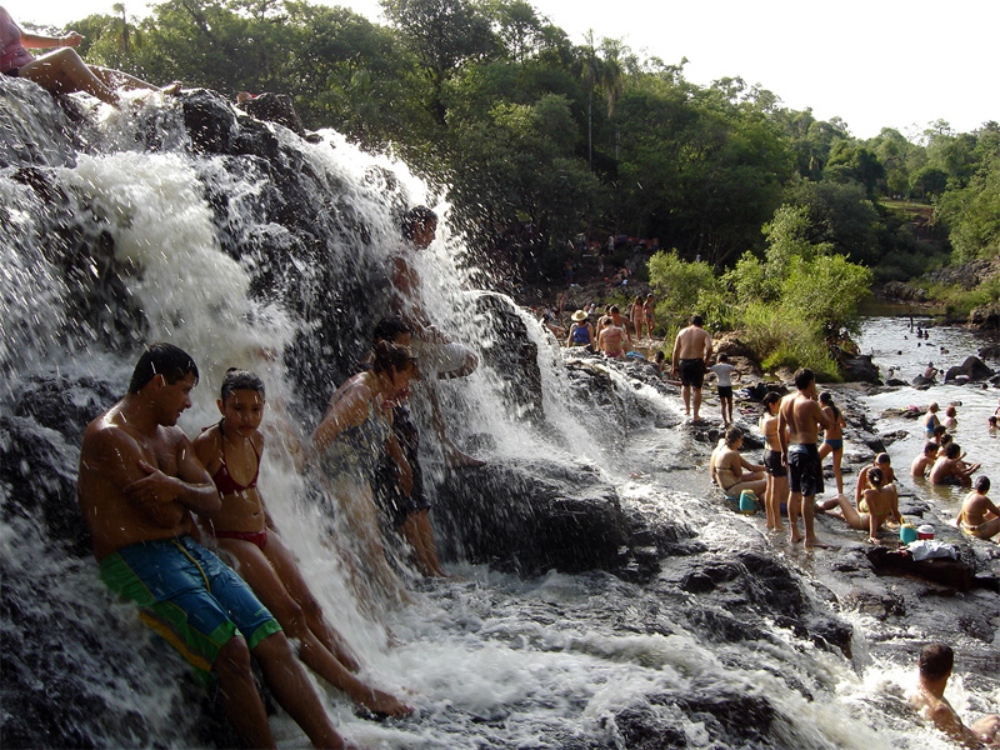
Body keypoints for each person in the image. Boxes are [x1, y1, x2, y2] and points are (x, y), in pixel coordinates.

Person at [77, 343, 347, 750]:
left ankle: (335, 744)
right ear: (157, 384)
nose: (189, 403)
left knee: (271, 637)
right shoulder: (110, 436)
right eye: (184, 390)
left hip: (187, 550)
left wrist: (173, 489)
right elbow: (166, 517)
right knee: (233, 649)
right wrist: (185, 500)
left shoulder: (172, 437)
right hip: (135, 559)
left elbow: (211, 499)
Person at [193, 368, 412, 718]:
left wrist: (275, 531)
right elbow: (194, 499)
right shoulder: (206, 444)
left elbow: (253, 492)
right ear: (221, 406)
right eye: (238, 409)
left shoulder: (257, 440)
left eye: (254, 409)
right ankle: (357, 691)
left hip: (261, 533)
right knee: (291, 615)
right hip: (232, 539)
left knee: (311, 606)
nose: (247, 417)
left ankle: (366, 674)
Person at [312, 342, 418, 607]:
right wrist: (316, 478)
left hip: (358, 476)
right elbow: (322, 434)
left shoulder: (378, 393)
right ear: (391, 370)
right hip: (339, 477)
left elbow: (386, 433)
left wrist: (403, 463)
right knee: (369, 550)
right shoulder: (360, 392)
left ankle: (393, 608)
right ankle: (396, 612)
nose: (407, 384)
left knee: (370, 550)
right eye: (404, 376)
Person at [391, 206, 483, 467]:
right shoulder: (401, 257)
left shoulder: (408, 257)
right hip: (409, 339)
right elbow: (399, 305)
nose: (433, 237)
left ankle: (417, 379)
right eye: (431, 229)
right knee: (468, 361)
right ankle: (446, 449)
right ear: (418, 227)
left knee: (438, 380)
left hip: (417, 336)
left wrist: (431, 327)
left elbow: (415, 305)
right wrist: (422, 331)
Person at [365, 318, 449, 578]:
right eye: (402, 344)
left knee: (420, 503)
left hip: (407, 443)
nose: (407, 351)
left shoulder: (398, 368)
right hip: (392, 448)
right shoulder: (371, 372)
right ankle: (425, 569)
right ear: (382, 343)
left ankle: (435, 568)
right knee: (406, 506)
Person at [1, 6, 180, 106]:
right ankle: (119, 104)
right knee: (66, 56)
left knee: (93, 70)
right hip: (14, 76)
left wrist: (62, 40)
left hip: (32, 67)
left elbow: (26, 38)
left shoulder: (2, 10)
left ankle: (157, 93)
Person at [778, 368, 833, 547]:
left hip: (792, 449)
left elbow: (780, 429)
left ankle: (794, 532)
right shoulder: (810, 404)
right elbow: (828, 424)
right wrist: (817, 401)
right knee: (808, 496)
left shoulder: (785, 401)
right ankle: (810, 537)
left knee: (794, 493)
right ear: (810, 383)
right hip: (807, 450)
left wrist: (784, 453)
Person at [909, 643, 1000, 748]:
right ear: (949, 672)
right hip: (975, 746)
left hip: (971, 735)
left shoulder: (912, 688)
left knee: (994, 720)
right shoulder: (941, 710)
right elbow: (958, 746)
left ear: (919, 664)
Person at [826, 467, 900, 544]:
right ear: (882, 478)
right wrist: (905, 525)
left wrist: (872, 536)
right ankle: (823, 511)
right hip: (871, 521)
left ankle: (817, 508)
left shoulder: (869, 493)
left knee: (840, 497)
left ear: (868, 480)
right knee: (842, 513)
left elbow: (873, 516)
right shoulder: (891, 488)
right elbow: (895, 511)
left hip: (861, 523)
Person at [671, 315, 713, 423]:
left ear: (690, 323)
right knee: (697, 388)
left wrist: (674, 365)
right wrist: (706, 360)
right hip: (697, 362)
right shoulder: (704, 333)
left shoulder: (682, 332)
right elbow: (709, 348)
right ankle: (696, 415)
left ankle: (687, 410)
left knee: (685, 386)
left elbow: (676, 351)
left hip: (684, 361)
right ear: (701, 324)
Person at [758, 392, 787, 532]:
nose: (780, 407)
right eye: (778, 404)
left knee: (770, 489)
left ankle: (769, 521)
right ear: (771, 404)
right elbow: (787, 437)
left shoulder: (762, 418)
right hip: (776, 454)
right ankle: (777, 524)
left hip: (767, 453)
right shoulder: (774, 421)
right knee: (776, 492)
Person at [714, 428, 767, 500]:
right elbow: (739, 473)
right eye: (741, 439)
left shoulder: (723, 448)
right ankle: (763, 502)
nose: (742, 442)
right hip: (732, 489)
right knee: (768, 483)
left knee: (759, 474)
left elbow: (750, 467)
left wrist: (768, 468)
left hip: (727, 485)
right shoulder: (732, 454)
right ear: (737, 439)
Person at [816, 392, 847, 495]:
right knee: (837, 470)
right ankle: (840, 493)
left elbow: (820, 426)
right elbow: (844, 424)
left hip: (829, 441)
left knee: (816, 459)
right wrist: (836, 426)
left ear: (822, 401)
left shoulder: (824, 410)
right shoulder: (837, 410)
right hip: (839, 441)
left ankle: (819, 484)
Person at [956, 476, 999, 541]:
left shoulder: (970, 494)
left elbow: (962, 511)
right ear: (986, 490)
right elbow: (998, 513)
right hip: (978, 532)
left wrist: (957, 524)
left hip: (967, 528)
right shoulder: (983, 499)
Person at [707, 353, 738, 427]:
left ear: (718, 359)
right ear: (726, 359)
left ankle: (725, 421)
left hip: (720, 386)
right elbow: (739, 372)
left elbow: (707, 370)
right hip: (728, 385)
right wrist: (738, 378)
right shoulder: (729, 366)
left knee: (723, 404)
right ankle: (730, 418)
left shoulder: (716, 367)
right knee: (730, 403)